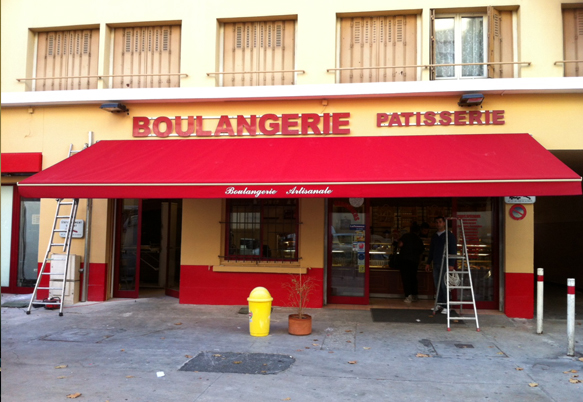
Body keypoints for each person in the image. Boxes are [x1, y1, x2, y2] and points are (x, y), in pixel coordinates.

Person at [425, 216, 457, 314]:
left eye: (440, 222)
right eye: (436, 222)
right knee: (437, 284)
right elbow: (431, 250)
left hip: (445, 263)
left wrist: (451, 264)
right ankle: (439, 304)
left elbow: (453, 250)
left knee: (444, 285)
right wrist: (428, 262)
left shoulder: (449, 235)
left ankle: (446, 305)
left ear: (444, 223)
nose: (438, 224)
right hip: (436, 263)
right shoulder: (435, 236)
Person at [398, 223, 425, 303]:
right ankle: (415, 295)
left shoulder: (405, 236)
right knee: (413, 277)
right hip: (414, 261)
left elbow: (400, 244)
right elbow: (421, 251)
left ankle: (408, 295)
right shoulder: (419, 239)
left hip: (404, 260)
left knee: (406, 278)